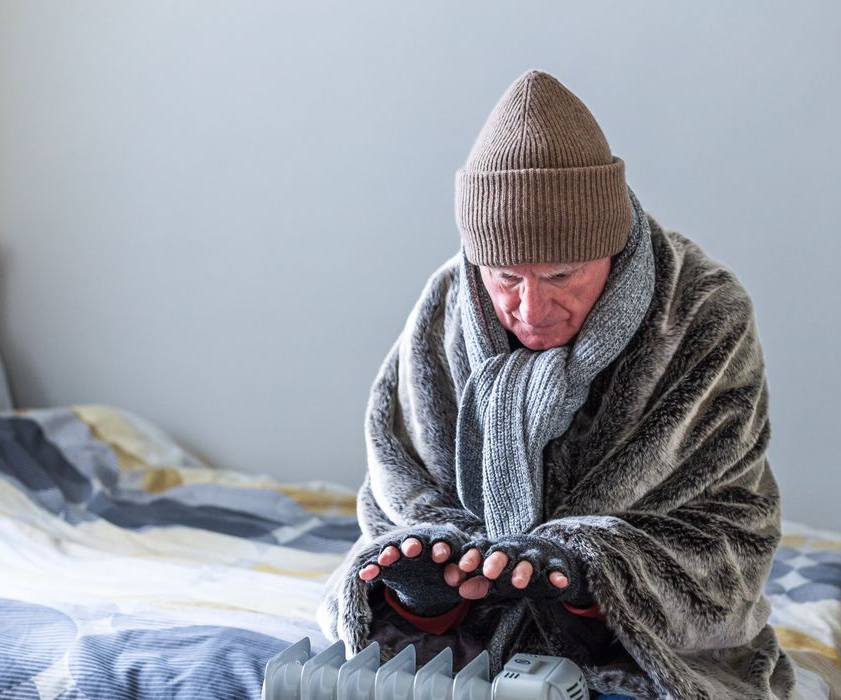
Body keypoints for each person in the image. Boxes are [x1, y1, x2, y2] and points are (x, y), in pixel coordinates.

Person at [319, 69, 795, 700]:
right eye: (505, 277)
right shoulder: (444, 308)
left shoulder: (704, 313)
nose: (532, 309)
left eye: (563, 275)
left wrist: (590, 574)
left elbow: (729, 529)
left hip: (648, 645)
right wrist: (426, 576)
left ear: (614, 241)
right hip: (462, 651)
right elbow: (395, 490)